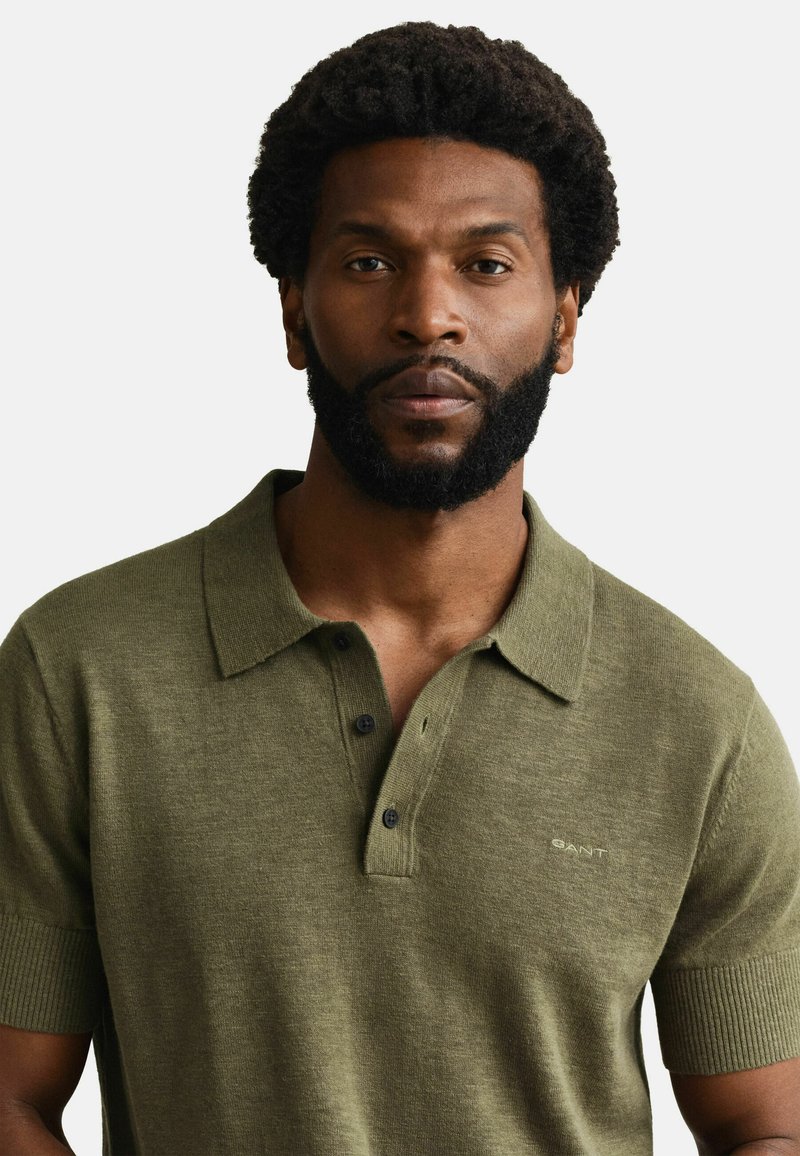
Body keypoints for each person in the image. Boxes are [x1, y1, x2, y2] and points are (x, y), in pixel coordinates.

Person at [1, 20, 798, 1156]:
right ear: (293, 309)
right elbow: (11, 1097)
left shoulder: (699, 719)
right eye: (369, 262)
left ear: (565, 319)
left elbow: (766, 1128)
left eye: (487, 264)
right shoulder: (75, 672)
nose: (428, 315)